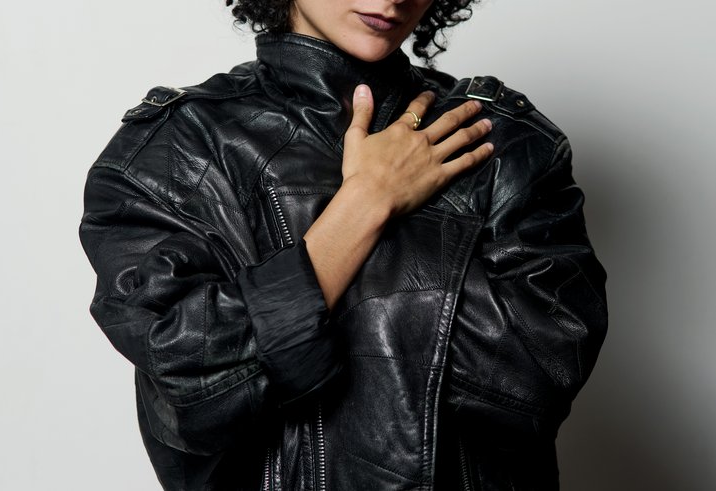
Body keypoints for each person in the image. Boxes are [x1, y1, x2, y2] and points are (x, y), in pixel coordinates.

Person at [79, 0, 607, 489]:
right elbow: (196, 391)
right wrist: (365, 204)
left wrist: (304, 305)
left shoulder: (498, 140)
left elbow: (532, 382)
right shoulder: (176, 152)